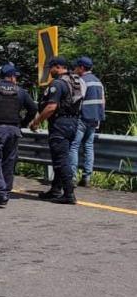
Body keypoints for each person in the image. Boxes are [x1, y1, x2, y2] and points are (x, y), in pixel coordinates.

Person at [0, 64, 37, 207]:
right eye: (16, 76)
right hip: (14, 131)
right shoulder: (21, 91)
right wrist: (23, 123)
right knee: (9, 163)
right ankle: (5, 192)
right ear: (11, 77)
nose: (16, 79)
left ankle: (0, 193)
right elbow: (33, 108)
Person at [29, 57, 84, 204]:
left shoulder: (58, 83)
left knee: (60, 160)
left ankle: (68, 194)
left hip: (60, 124)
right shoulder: (76, 81)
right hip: (73, 123)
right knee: (62, 157)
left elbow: (51, 107)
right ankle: (55, 190)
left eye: (51, 68)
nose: (49, 71)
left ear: (58, 67)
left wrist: (36, 122)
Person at [69, 57, 105, 187]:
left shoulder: (81, 81)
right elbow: (103, 101)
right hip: (95, 118)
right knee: (89, 146)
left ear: (82, 68)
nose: (74, 70)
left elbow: (76, 100)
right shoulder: (98, 82)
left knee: (74, 146)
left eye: (76, 67)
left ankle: (72, 178)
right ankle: (86, 177)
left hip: (82, 118)